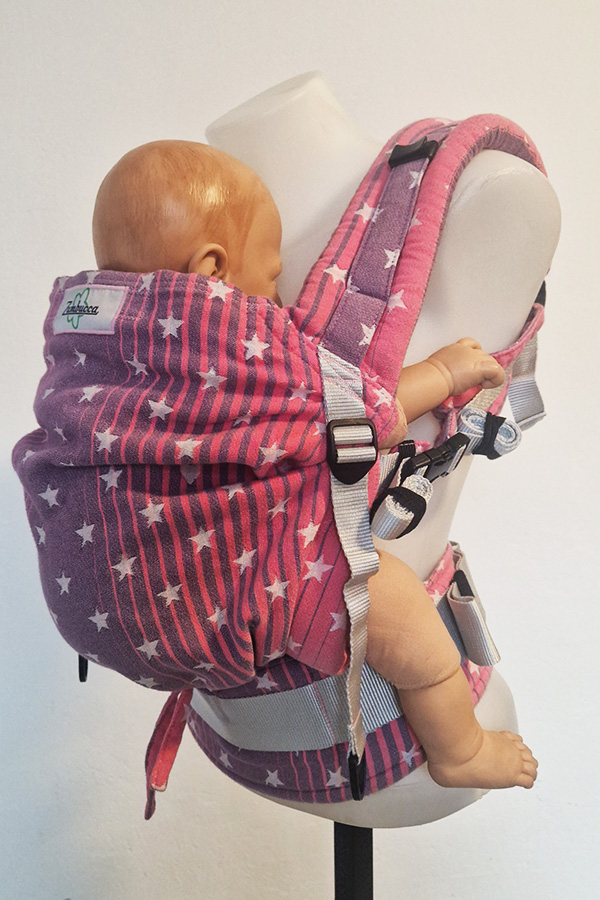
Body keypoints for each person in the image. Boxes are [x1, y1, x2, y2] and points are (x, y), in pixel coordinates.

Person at [92, 139, 538, 791]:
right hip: (246, 577)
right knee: (403, 615)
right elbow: (349, 421)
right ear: (213, 271)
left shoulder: (92, 350)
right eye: (271, 277)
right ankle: (460, 750)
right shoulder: (233, 353)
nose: (276, 298)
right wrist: (442, 374)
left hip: (130, 596)